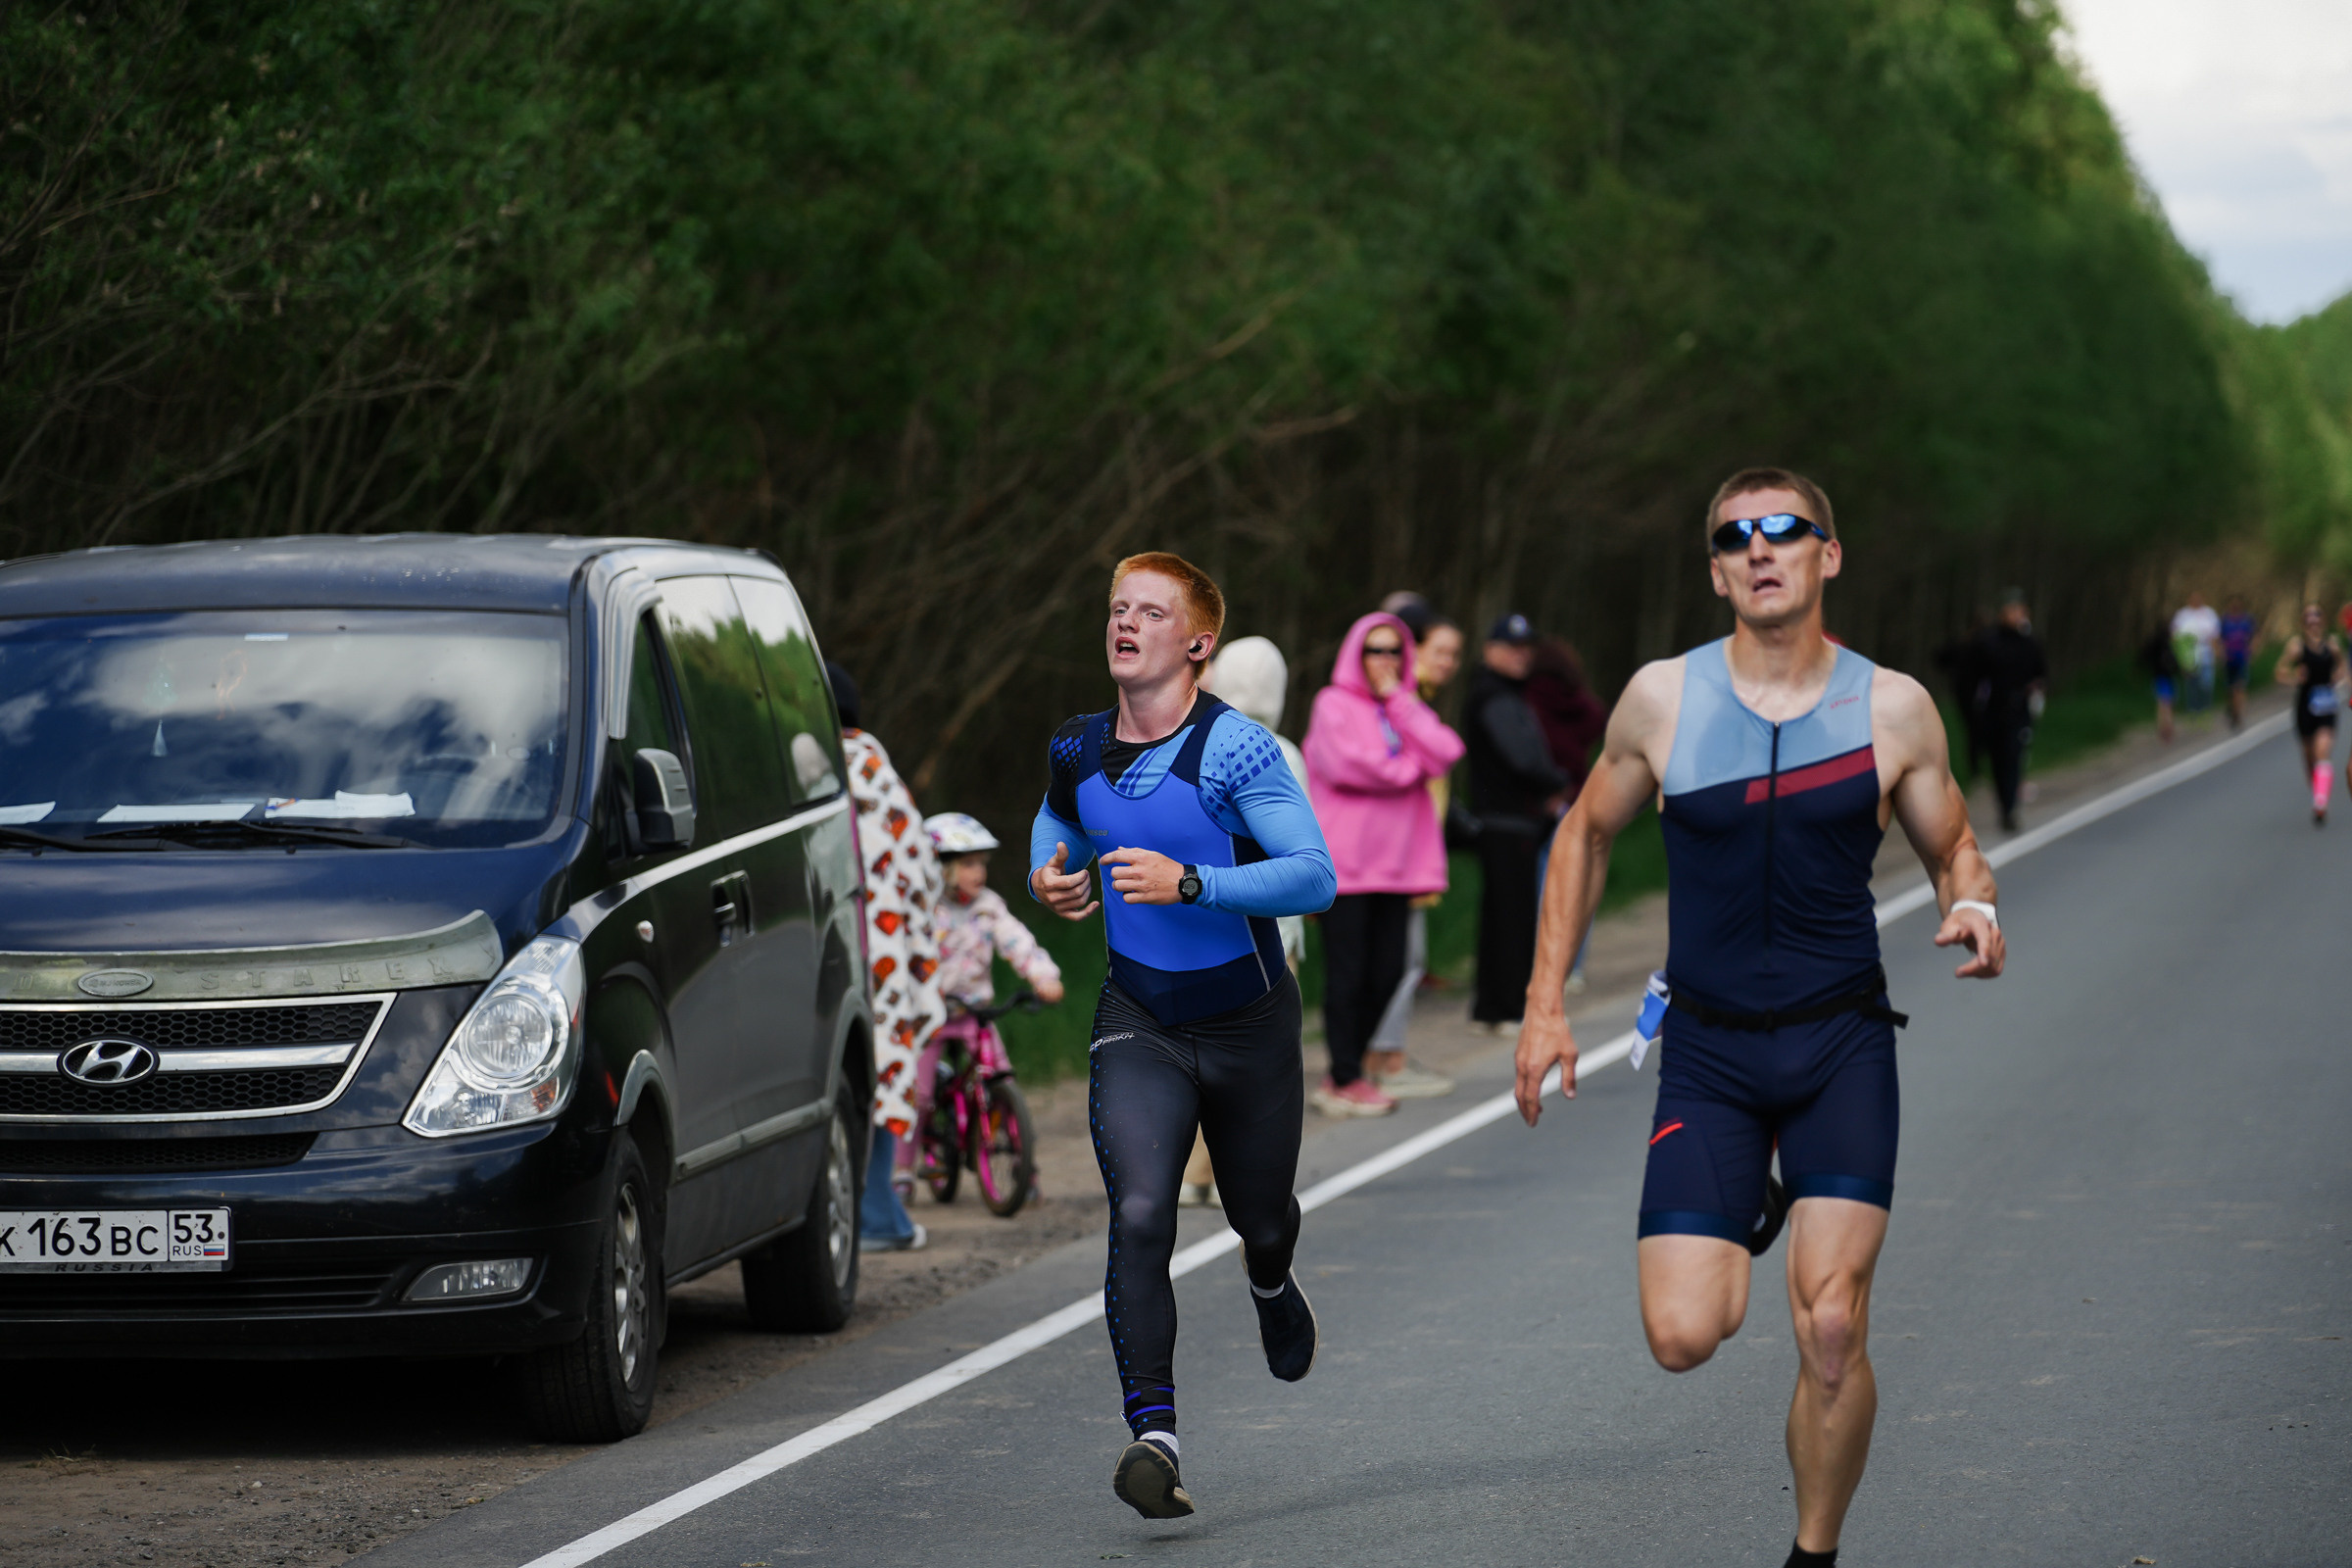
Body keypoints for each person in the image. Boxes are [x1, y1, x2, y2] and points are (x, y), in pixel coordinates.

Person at [1513, 467, 2005, 1568]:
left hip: (1840, 1044)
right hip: (1710, 1054)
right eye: (1737, 536)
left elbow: (1955, 845)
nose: (1761, 547)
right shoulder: (1662, 700)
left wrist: (1970, 903)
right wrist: (1546, 1005)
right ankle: (1754, 1196)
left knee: (1831, 1327)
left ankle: (1813, 1555)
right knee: (1685, 1335)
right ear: (1718, 570)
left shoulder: (1892, 706)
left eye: (1786, 530)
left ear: (1829, 555)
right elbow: (1584, 835)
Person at [1029, 553, 1337, 1520]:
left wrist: (1193, 883)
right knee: (1142, 1213)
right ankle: (1153, 1434)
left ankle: (1271, 1273)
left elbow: (1314, 875)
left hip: (1249, 1022)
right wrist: (1052, 873)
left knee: (1260, 1211)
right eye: (1117, 606)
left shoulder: (1235, 752)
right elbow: (1056, 818)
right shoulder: (1077, 748)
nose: (1125, 623)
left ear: (1197, 643)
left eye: (1150, 612)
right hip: (1140, 1019)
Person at [1301, 612, 1465, 1117]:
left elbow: (1447, 750)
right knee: (1347, 977)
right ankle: (1343, 1077)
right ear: (1356, 653)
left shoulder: (1404, 706)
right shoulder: (1332, 703)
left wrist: (1400, 700)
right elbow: (1346, 765)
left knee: (1390, 972)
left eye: (1395, 650)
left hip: (1398, 867)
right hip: (1347, 868)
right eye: (1375, 650)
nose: (1386, 660)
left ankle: (1349, 1071)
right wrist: (1411, 770)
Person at [1183, 634, 1314, 1206]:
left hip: (1204, 917)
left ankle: (1192, 1169)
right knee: (1257, 1057)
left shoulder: (1198, 745)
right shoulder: (1286, 755)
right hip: (1272, 929)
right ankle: (1224, 1170)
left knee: (1198, 1046)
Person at [829, 662, 944, 1255]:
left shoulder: (799, 762)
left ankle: (846, 1212)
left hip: (820, 948)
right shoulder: (871, 764)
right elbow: (917, 862)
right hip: (882, 950)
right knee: (882, 1064)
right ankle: (877, 1210)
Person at [902, 811, 1064, 1190]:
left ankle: (1025, 1169)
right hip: (931, 1014)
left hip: (975, 1013)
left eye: (981, 864)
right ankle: (901, 1172)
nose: (979, 873)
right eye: (968, 864)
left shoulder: (987, 906)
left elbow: (1017, 941)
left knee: (1001, 1076)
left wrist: (1044, 976)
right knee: (918, 1094)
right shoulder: (923, 910)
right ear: (939, 868)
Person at [1366, 613, 1466, 1095]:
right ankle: (1386, 1058)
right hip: (1392, 854)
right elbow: (1431, 754)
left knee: (1405, 957)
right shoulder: (1396, 700)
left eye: (1454, 654)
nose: (1447, 664)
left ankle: (1385, 1054)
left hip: (1418, 849)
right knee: (1400, 957)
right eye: (1438, 651)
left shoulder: (1410, 699)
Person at [1462, 612, 1567, 1032]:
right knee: (1511, 918)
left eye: (1526, 648)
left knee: (1506, 915)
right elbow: (1523, 757)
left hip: (1509, 822)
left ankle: (1497, 1005)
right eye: (1512, 647)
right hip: (1506, 823)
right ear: (1491, 651)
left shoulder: (1505, 692)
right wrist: (1557, 781)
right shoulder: (1493, 695)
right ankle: (1505, 1007)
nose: (1522, 656)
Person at [1526, 635, 1609, 991]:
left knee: (1542, 888)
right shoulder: (1582, 704)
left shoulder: (1529, 701)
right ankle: (1573, 966)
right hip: (1580, 798)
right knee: (1577, 883)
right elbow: (1598, 722)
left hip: (1541, 804)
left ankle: (1542, 963)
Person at [1975, 591, 2047, 832]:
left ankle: (2010, 808)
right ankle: (2004, 804)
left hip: (2019, 710)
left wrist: (2036, 692)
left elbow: (2041, 673)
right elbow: (1976, 677)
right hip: (1995, 710)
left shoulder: (2031, 644)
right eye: (2010, 611)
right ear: (2002, 613)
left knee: (2014, 756)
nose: (2015, 616)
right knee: (1998, 760)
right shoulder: (1989, 642)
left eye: (2019, 611)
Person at [2274, 605, 2345, 825]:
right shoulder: (2296, 647)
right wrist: (2295, 677)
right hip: (2305, 704)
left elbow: (2343, 667)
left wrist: (2338, 676)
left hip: (2326, 704)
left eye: (2317, 617)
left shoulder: (2332, 645)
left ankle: (2320, 804)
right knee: (2309, 756)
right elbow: (2279, 672)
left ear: (2323, 621)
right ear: (2303, 623)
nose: (2313, 622)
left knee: (2322, 748)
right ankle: (2318, 793)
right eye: (2309, 619)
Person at [2172, 590, 2221, 711]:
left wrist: (2216, 653)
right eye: (2193, 598)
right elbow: (2175, 637)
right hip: (2189, 655)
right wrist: (2180, 657)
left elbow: (2215, 635)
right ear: (2188, 600)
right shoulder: (2182, 615)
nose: (2196, 601)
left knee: (2206, 684)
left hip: (2206, 654)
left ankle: (2206, 708)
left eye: (2198, 598)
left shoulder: (2209, 613)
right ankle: (2194, 711)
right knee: (2192, 686)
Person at [2220, 594, 2257, 730]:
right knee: (2230, 689)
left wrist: (2252, 651)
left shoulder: (2247, 621)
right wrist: (2221, 653)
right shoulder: (2224, 621)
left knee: (2240, 686)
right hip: (2229, 659)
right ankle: (2232, 709)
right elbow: (2219, 639)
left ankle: (2240, 713)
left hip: (2242, 658)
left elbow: (2254, 636)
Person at [2140, 620, 2182, 742]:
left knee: (2163, 702)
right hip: (2166, 676)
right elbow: (2177, 661)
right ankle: (2168, 728)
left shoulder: (2153, 642)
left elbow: (2144, 656)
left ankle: (2163, 727)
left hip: (2158, 676)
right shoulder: (2170, 643)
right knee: (2167, 702)